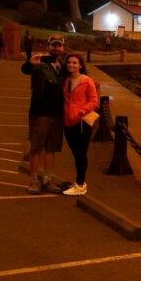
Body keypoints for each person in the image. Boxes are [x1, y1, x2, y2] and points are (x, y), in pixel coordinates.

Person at [20, 35, 67, 194]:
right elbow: (25, 70)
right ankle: (34, 180)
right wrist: (30, 63)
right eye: (53, 45)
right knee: (36, 148)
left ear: (63, 48)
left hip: (57, 113)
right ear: (48, 46)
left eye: (59, 45)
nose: (56, 48)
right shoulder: (40, 62)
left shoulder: (63, 65)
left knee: (51, 148)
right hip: (40, 112)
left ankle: (47, 179)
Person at [61, 53, 99, 196]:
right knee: (76, 153)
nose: (71, 65)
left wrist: (82, 110)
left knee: (81, 153)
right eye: (69, 62)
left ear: (81, 65)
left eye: (75, 63)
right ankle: (79, 182)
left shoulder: (87, 81)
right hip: (67, 122)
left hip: (82, 122)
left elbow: (94, 101)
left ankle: (81, 184)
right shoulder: (65, 80)